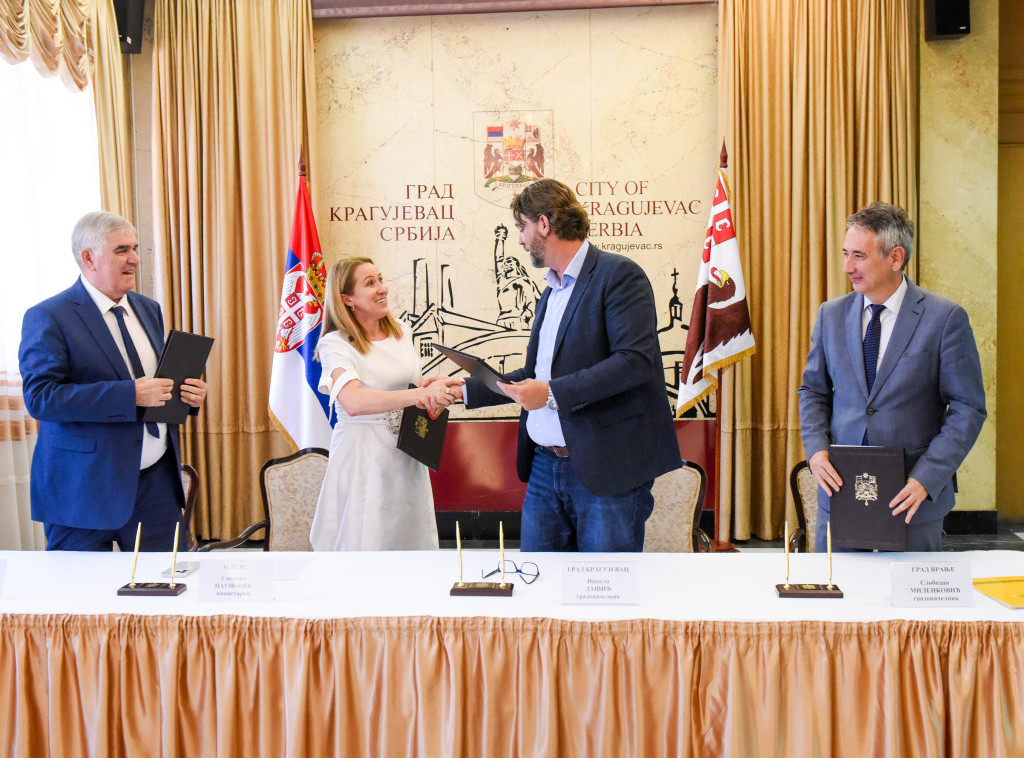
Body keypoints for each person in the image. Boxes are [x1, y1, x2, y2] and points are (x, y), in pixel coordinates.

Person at [455, 179, 681, 552]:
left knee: (605, 588)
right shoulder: (551, 291)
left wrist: (551, 393)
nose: (520, 240)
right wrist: (463, 390)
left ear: (544, 224)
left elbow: (635, 362)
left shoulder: (619, 275)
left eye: (522, 227)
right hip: (544, 469)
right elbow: (534, 377)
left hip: (606, 470)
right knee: (538, 583)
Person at [798, 202, 986, 551]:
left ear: (895, 257)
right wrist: (817, 451)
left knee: (909, 590)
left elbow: (968, 408)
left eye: (858, 256)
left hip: (913, 498)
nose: (847, 267)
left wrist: (927, 478)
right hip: (841, 493)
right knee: (837, 587)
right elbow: (812, 391)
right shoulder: (830, 315)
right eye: (846, 254)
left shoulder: (945, 319)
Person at [19, 211, 208, 551]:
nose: (135, 259)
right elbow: (41, 398)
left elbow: (156, 386)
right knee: (81, 586)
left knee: (166, 582)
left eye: (135, 248)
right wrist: (129, 395)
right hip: (83, 491)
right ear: (88, 257)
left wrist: (187, 395)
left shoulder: (148, 309)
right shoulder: (48, 316)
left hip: (156, 488)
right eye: (122, 250)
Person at [309, 257, 461, 551]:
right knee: (366, 543)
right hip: (363, 457)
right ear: (347, 299)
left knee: (409, 540)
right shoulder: (335, 344)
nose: (382, 288)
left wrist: (429, 387)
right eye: (370, 283)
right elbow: (353, 401)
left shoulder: (402, 331)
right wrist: (418, 396)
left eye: (380, 279)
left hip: (407, 453)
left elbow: (401, 384)